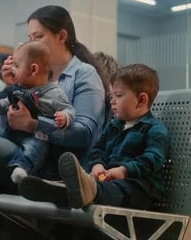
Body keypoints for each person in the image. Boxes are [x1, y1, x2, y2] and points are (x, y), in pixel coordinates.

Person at [0, 5, 108, 238]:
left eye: (38, 37)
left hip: (54, 168)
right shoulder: (37, 76)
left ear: (61, 37)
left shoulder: (84, 75)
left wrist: (33, 125)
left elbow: (85, 134)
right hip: (26, 157)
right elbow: (10, 124)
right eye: (29, 38)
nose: (29, 44)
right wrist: (13, 87)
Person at [19, 63, 169, 212]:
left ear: (142, 100)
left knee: (114, 189)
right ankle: (63, 190)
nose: (112, 101)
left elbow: (152, 159)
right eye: (112, 96)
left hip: (139, 189)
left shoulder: (154, 129)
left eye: (119, 95)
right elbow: (97, 150)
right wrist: (97, 165)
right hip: (109, 182)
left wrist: (124, 170)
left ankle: (78, 189)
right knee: (101, 186)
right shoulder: (114, 126)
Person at [0, 40, 75, 183]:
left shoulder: (55, 93)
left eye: (16, 66)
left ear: (33, 69)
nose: (12, 69)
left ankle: (21, 168)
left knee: (35, 147)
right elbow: (7, 104)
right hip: (9, 134)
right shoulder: (18, 88)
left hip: (35, 136)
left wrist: (65, 116)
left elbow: (69, 110)